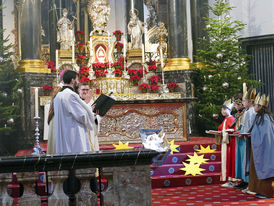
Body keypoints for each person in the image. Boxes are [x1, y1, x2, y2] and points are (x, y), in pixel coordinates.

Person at [54, 70, 97, 154]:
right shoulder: (70, 95)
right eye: (77, 80)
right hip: (73, 134)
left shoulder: (58, 95)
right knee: (75, 158)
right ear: (72, 80)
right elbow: (81, 115)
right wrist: (91, 117)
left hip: (64, 132)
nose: (78, 82)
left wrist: (88, 109)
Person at [248, 93, 274, 198]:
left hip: (264, 149)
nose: (253, 107)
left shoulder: (265, 119)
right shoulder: (261, 117)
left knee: (265, 168)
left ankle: (267, 192)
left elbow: (266, 136)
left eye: (255, 105)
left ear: (260, 106)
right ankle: (259, 190)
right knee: (257, 168)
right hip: (259, 148)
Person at [240, 88, 256, 193]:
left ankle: (252, 185)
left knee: (250, 161)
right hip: (247, 138)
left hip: (251, 139)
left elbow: (250, 125)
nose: (242, 103)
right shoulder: (247, 111)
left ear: (250, 101)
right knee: (247, 161)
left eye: (244, 101)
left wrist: (244, 133)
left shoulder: (251, 112)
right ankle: (249, 184)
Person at [230, 93, 249, 190]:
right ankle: (242, 179)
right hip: (239, 137)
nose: (234, 106)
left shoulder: (247, 112)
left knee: (244, 160)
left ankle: (247, 181)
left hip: (244, 138)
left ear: (241, 104)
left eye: (236, 104)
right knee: (240, 160)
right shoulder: (239, 114)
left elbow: (246, 126)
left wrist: (240, 131)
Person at [78, 82, 101, 151]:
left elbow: (98, 116)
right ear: (79, 90)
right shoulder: (76, 101)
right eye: (83, 90)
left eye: (87, 90)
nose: (85, 92)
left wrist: (96, 117)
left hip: (92, 131)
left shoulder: (92, 101)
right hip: (81, 132)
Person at [217, 99, 235, 187]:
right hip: (225, 143)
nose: (223, 111)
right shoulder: (226, 119)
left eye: (225, 109)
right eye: (222, 109)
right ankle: (228, 179)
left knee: (229, 161)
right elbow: (221, 129)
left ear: (230, 110)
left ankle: (231, 179)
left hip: (229, 144)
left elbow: (233, 130)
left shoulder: (231, 119)